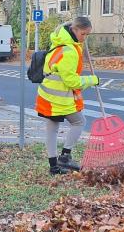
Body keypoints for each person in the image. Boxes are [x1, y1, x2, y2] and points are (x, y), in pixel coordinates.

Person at [35, 16, 99, 175]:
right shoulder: (69, 50)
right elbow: (72, 81)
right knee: (79, 122)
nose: (85, 38)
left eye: (88, 35)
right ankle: (65, 156)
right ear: (74, 29)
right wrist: (93, 79)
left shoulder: (60, 41)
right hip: (59, 97)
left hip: (47, 94)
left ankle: (54, 167)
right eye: (83, 34)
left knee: (52, 128)